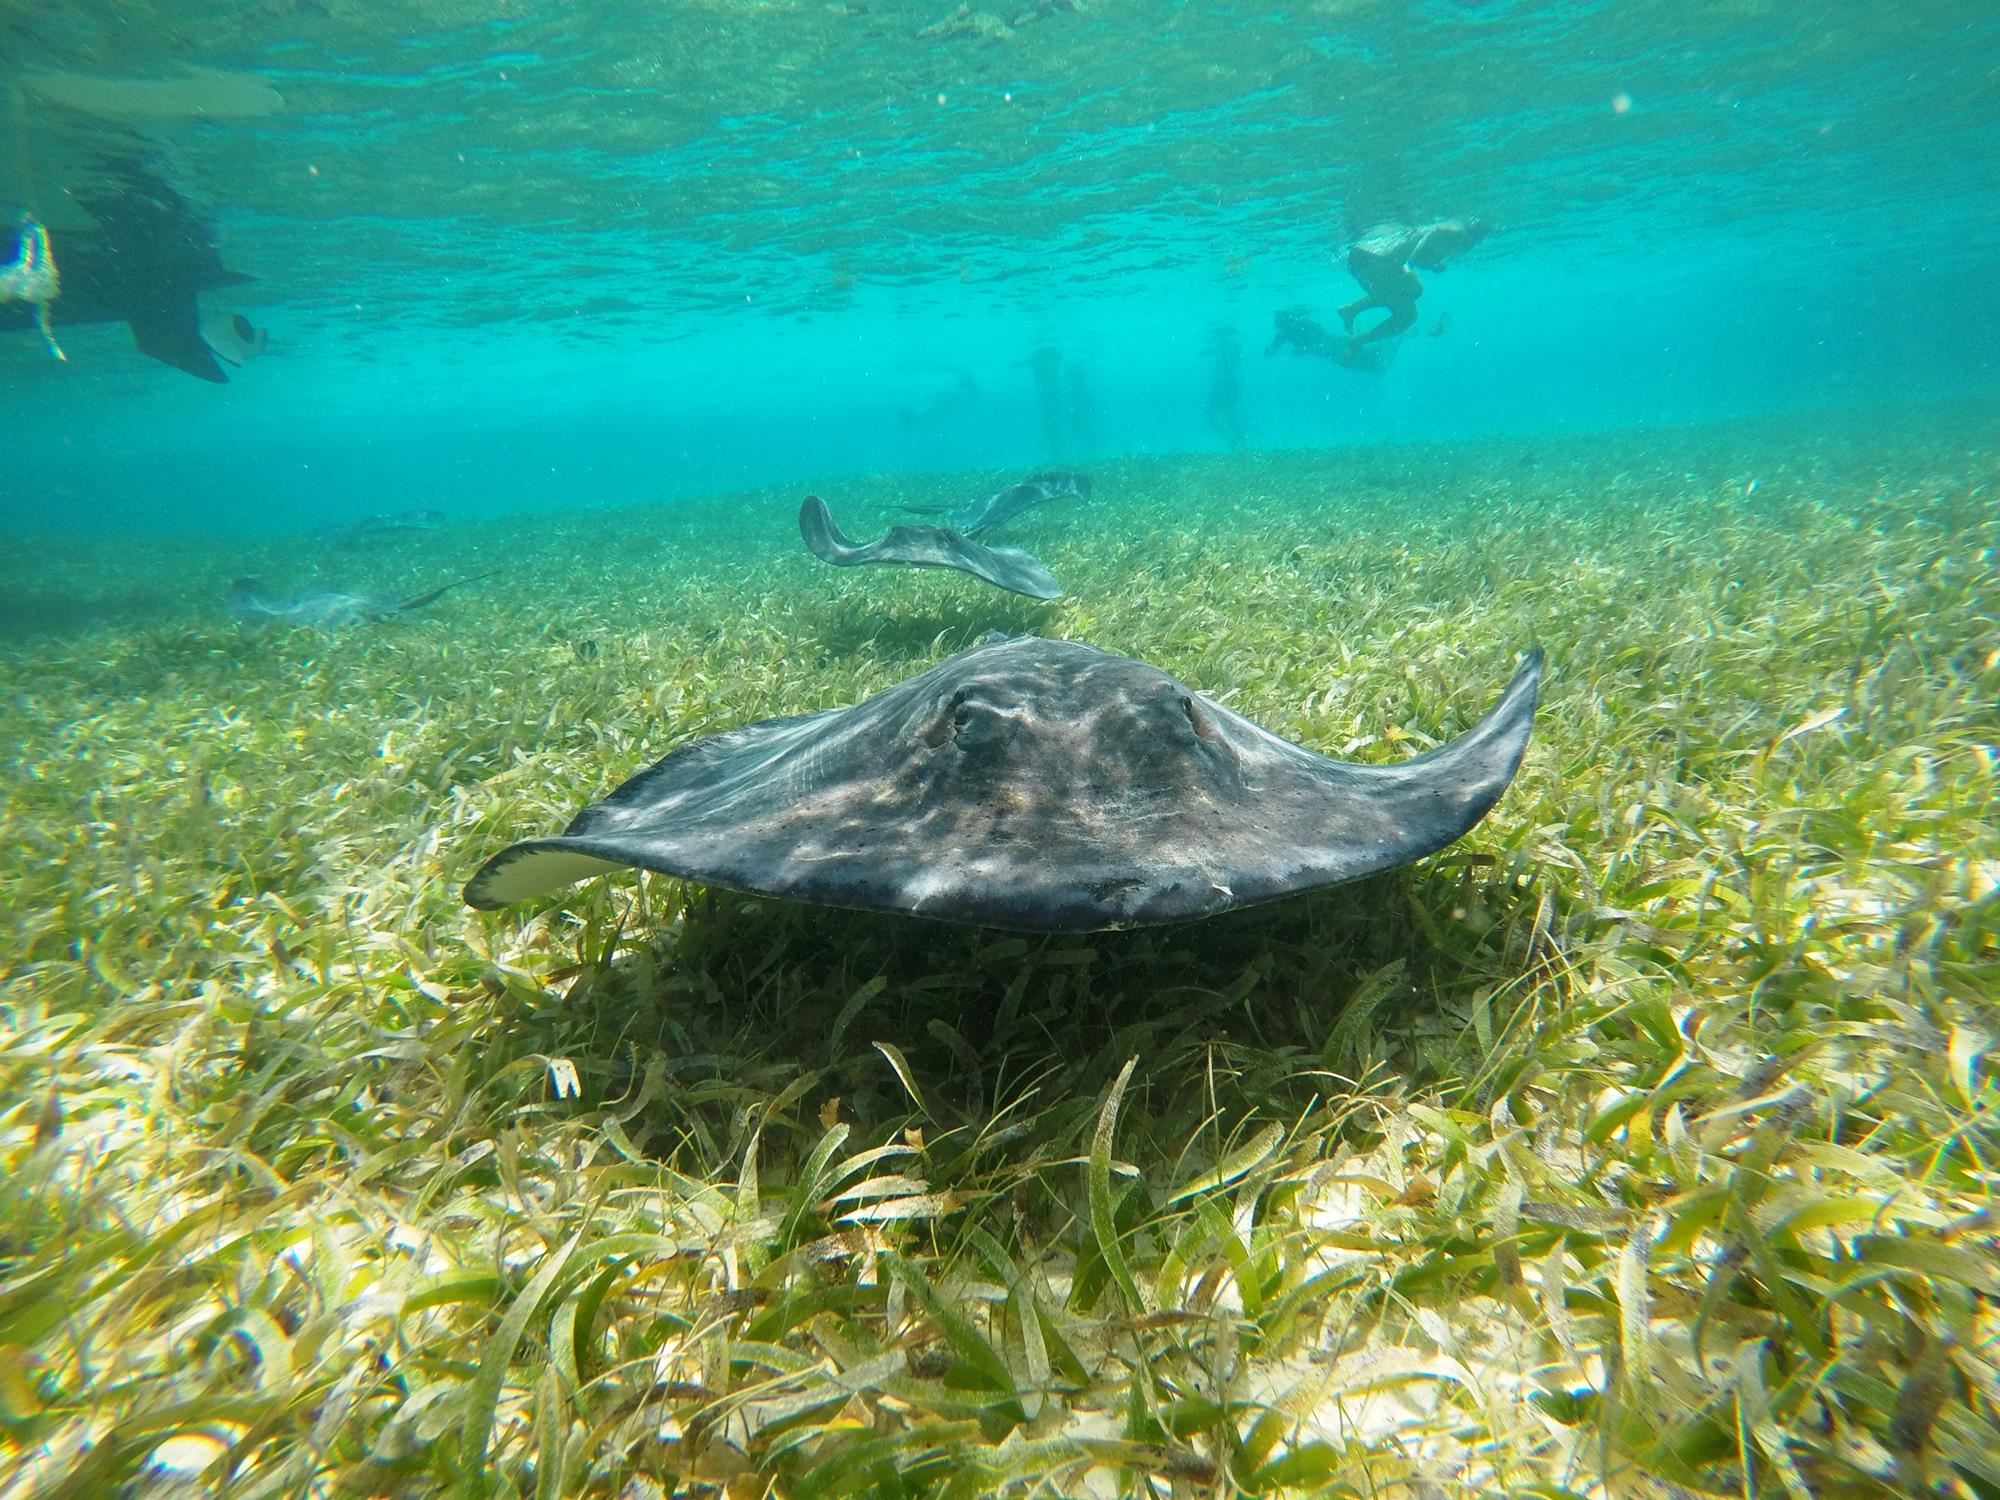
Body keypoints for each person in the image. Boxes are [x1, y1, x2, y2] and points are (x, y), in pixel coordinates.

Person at [1337, 217, 1489, 352]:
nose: (1471, 245)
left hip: (1367, 259)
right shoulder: (1452, 232)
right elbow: (1416, 258)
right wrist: (1435, 265)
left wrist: (1434, 262)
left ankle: (1353, 315)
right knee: (1409, 311)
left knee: (1414, 295)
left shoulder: (1451, 233)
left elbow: (1412, 254)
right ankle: (1356, 333)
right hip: (1371, 262)